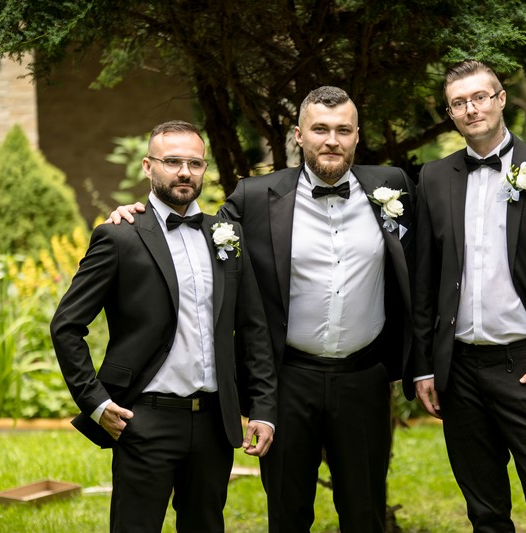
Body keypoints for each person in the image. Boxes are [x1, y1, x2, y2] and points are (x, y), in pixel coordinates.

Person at [109, 87, 415, 533]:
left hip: (364, 378)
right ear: (299, 135)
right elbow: (197, 230)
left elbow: (435, 242)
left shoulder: (392, 185)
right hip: (288, 381)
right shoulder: (256, 196)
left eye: (343, 130)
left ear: (356, 135)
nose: (332, 140)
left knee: (365, 512)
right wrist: (139, 216)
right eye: (320, 129)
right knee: (287, 513)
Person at [51, 120, 277, 532]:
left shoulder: (227, 235)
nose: (184, 172)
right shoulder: (120, 236)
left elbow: (253, 328)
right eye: (172, 162)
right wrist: (96, 402)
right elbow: (67, 325)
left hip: (214, 423)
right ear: (148, 166)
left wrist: (262, 407)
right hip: (144, 418)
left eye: (195, 163)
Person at [409, 59, 526, 532]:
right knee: (485, 515)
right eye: (459, 103)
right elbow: (424, 281)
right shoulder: (433, 179)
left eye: (480, 97)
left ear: (500, 99)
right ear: (450, 114)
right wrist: (425, 366)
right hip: (459, 374)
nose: (471, 109)